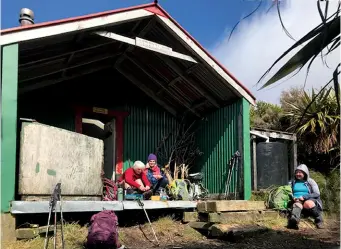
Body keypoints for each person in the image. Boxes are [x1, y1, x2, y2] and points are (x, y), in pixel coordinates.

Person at [288, 164, 323, 229]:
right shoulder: (292, 182)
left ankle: (319, 220)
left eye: (300, 172)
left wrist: (304, 197)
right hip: (297, 201)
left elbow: (317, 193)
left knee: (308, 203)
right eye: (297, 172)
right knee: (297, 204)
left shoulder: (310, 181)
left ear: (305, 173)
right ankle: (294, 221)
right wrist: (293, 198)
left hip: (309, 200)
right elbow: (289, 192)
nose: (298, 174)